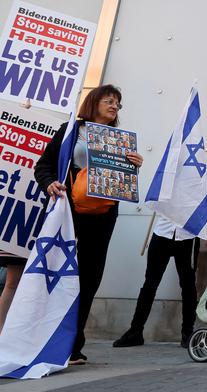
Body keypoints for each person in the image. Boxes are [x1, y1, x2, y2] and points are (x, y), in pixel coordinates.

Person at [34, 84, 144, 365]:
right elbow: (43, 167)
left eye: (118, 103)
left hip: (103, 215)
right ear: (93, 102)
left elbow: (119, 181)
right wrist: (50, 184)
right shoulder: (71, 130)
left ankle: (74, 344)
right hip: (70, 212)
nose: (114, 106)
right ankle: (45, 337)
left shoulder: (119, 141)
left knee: (90, 277)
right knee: (61, 274)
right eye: (109, 100)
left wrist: (133, 165)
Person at [112, 170, 207, 348]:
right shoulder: (167, 168)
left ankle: (187, 332)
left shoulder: (205, 172)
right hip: (162, 231)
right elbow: (153, 197)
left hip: (188, 233)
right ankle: (135, 331)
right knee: (150, 283)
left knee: (187, 284)